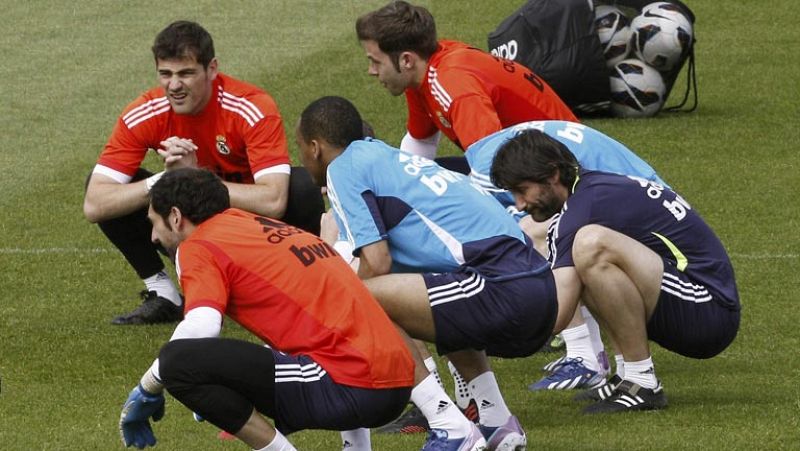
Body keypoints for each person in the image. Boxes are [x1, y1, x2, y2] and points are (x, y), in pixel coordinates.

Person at [297, 96, 568, 449]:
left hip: (504, 287)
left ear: (315, 147)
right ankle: (498, 423)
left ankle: (448, 425)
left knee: (360, 301)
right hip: (536, 286)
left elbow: (376, 262)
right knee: (435, 298)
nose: (301, 159)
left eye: (300, 148)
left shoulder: (343, 168)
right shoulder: (386, 158)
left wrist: (339, 309)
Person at [117, 168, 415, 450]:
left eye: (154, 223)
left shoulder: (198, 245)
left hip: (357, 385)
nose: (153, 237)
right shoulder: (259, 226)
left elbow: (202, 325)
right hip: (397, 381)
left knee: (175, 362)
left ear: (175, 217)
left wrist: (149, 386)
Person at [83, 20, 324, 325]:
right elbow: (95, 204)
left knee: (301, 187)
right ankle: (163, 294)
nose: (174, 85)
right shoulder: (145, 112)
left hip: (250, 226)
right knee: (113, 188)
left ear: (212, 69)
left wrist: (196, 176)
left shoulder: (251, 107)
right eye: (165, 74)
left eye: (186, 73)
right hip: (192, 221)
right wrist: (166, 180)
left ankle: (307, 288)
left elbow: (274, 200)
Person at [490, 130, 740, 413]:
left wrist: (489, 329)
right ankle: (625, 375)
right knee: (562, 240)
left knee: (590, 245)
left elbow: (558, 313)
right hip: (697, 299)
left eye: (522, 190)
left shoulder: (585, 207)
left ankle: (642, 382)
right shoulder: (590, 191)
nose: (520, 204)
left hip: (709, 312)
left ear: (552, 174)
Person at [466, 120, 668, 393]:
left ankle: (585, 356)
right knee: (557, 236)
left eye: (520, 192)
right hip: (652, 208)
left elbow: (505, 239)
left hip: (648, 231)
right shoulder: (501, 150)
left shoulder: (483, 169)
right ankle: (611, 363)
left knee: (536, 235)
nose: (519, 202)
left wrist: (495, 329)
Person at [355, 0, 578, 163]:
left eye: (375, 61)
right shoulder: (421, 74)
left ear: (406, 60)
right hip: (531, 162)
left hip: (568, 169)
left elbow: (491, 165)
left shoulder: (453, 84)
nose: (371, 71)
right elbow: (421, 142)